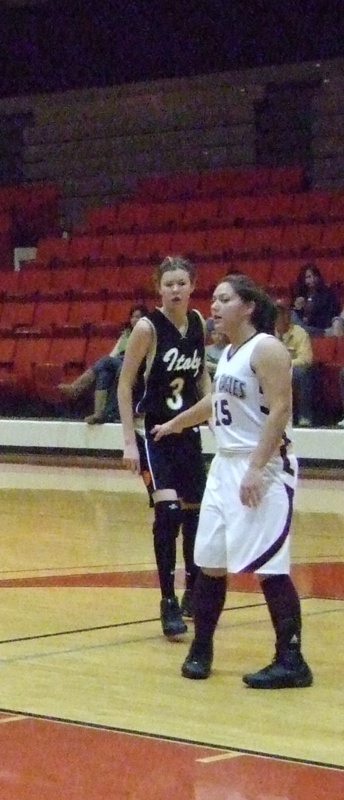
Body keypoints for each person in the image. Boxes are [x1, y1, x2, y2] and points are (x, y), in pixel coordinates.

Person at [151, 274, 311, 689]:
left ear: (249, 306)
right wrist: (177, 422)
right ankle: (201, 648)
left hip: (263, 466)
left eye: (224, 299)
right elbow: (216, 401)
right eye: (214, 299)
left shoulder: (267, 348)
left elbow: (281, 409)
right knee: (210, 563)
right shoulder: (227, 353)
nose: (214, 306)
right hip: (224, 466)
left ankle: (292, 659)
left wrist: (256, 467)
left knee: (269, 566)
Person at [117, 257, 210, 640]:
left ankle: (193, 592)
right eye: (168, 283)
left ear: (192, 286)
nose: (175, 289)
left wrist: (211, 407)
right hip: (154, 434)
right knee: (168, 513)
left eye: (181, 283)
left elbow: (201, 374)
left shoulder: (198, 322)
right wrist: (128, 441)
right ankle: (167, 600)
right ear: (158, 288)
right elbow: (124, 385)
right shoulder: (147, 328)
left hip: (187, 432)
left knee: (195, 516)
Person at [61, 304, 145, 424]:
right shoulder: (126, 334)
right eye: (133, 317)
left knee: (106, 361)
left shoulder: (148, 334)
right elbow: (114, 354)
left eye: (138, 317)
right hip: (120, 363)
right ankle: (99, 414)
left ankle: (76, 387)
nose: (135, 320)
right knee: (104, 372)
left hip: (137, 366)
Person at [273, 301, 314, 427]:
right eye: (275, 315)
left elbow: (306, 359)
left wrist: (285, 364)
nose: (277, 318)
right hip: (272, 370)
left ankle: (304, 416)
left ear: (287, 316)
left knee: (301, 373)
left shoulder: (299, 333)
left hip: (292, 370)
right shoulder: (268, 334)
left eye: (281, 314)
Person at [292, 264, 340, 336]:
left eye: (314, 276)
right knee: (292, 314)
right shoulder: (301, 294)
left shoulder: (327, 294)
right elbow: (297, 317)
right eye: (308, 277)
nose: (312, 279)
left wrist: (309, 319)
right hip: (304, 327)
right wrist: (298, 309)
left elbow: (328, 316)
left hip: (319, 328)